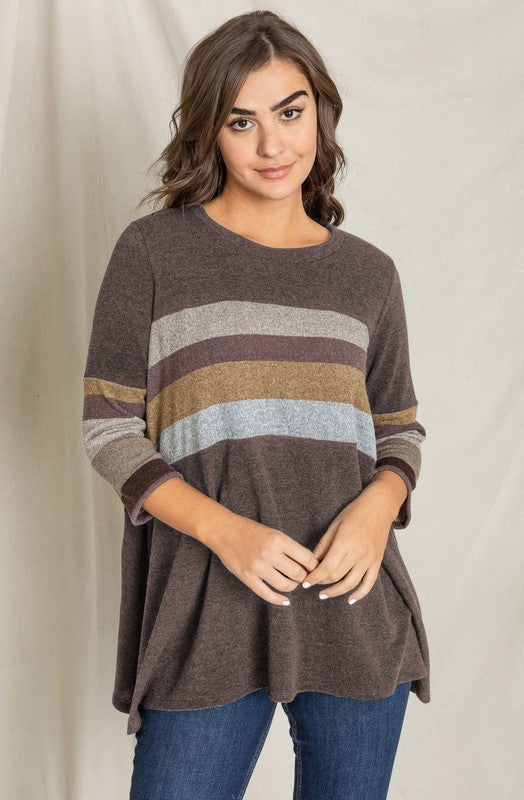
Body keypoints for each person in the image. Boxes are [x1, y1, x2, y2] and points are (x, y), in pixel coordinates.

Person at [82, 10, 430, 800]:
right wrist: (225, 532)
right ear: (209, 131)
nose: (273, 145)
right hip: (207, 601)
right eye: (242, 121)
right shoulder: (155, 253)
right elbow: (108, 426)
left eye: (290, 112)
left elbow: (399, 428)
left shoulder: (368, 274)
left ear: (320, 113)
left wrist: (378, 508)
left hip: (352, 602)